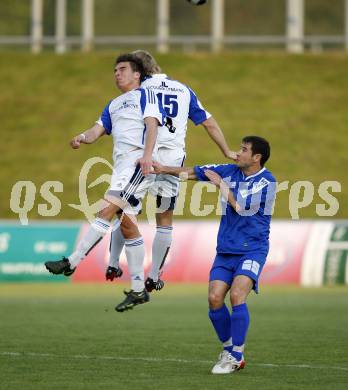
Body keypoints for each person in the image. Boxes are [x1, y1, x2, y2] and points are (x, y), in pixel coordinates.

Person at [106, 50, 237, 293]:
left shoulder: (141, 91)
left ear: (139, 72)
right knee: (164, 219)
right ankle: (154, 276)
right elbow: (208, 122)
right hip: (173, 161)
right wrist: (227, 151)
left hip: (146, 155)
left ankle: (113, 264)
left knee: (123, 210)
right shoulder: (183, 89)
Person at [45, 53, 165, 312]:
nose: (117, 73)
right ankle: (137, 289)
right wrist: (81, 137)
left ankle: (73, 261)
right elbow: (96, 130)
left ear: (137, 74)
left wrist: (146, 156)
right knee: (129, 227)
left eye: (122, 69)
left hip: (138, 165)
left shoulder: (147, 95)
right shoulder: (113, 104)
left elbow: (153, 126)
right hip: (121, 169)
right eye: (114, 70)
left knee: (106, 209)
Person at [152, 136, 276, 374]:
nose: (237, 153)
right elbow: (193, 172)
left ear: (256, 157)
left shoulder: (267, 182)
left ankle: (237, 355)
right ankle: (228, 349)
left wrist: (221, 185)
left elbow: (241, 207)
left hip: (253, 249)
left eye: (244, 150)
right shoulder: (229, 170)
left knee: (238, 294)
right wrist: (161, 169)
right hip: (226, 250)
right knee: (214, 299)